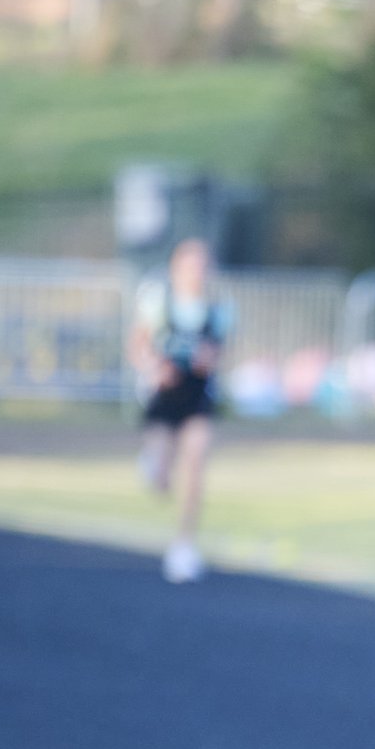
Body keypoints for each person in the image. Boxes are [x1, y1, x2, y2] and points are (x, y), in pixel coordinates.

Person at [132, 237, 232, 584]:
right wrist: (153, 368)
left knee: (196, 460)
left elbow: (218, 354)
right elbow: (139, 344)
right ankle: (154, 466)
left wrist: (208, 360)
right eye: (191, 265)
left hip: (196, 396)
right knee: (161, 480)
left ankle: (184, 544)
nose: (196, 273)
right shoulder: (159, 302)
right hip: (164, 395)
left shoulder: (218, 311)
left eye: (202, 266)